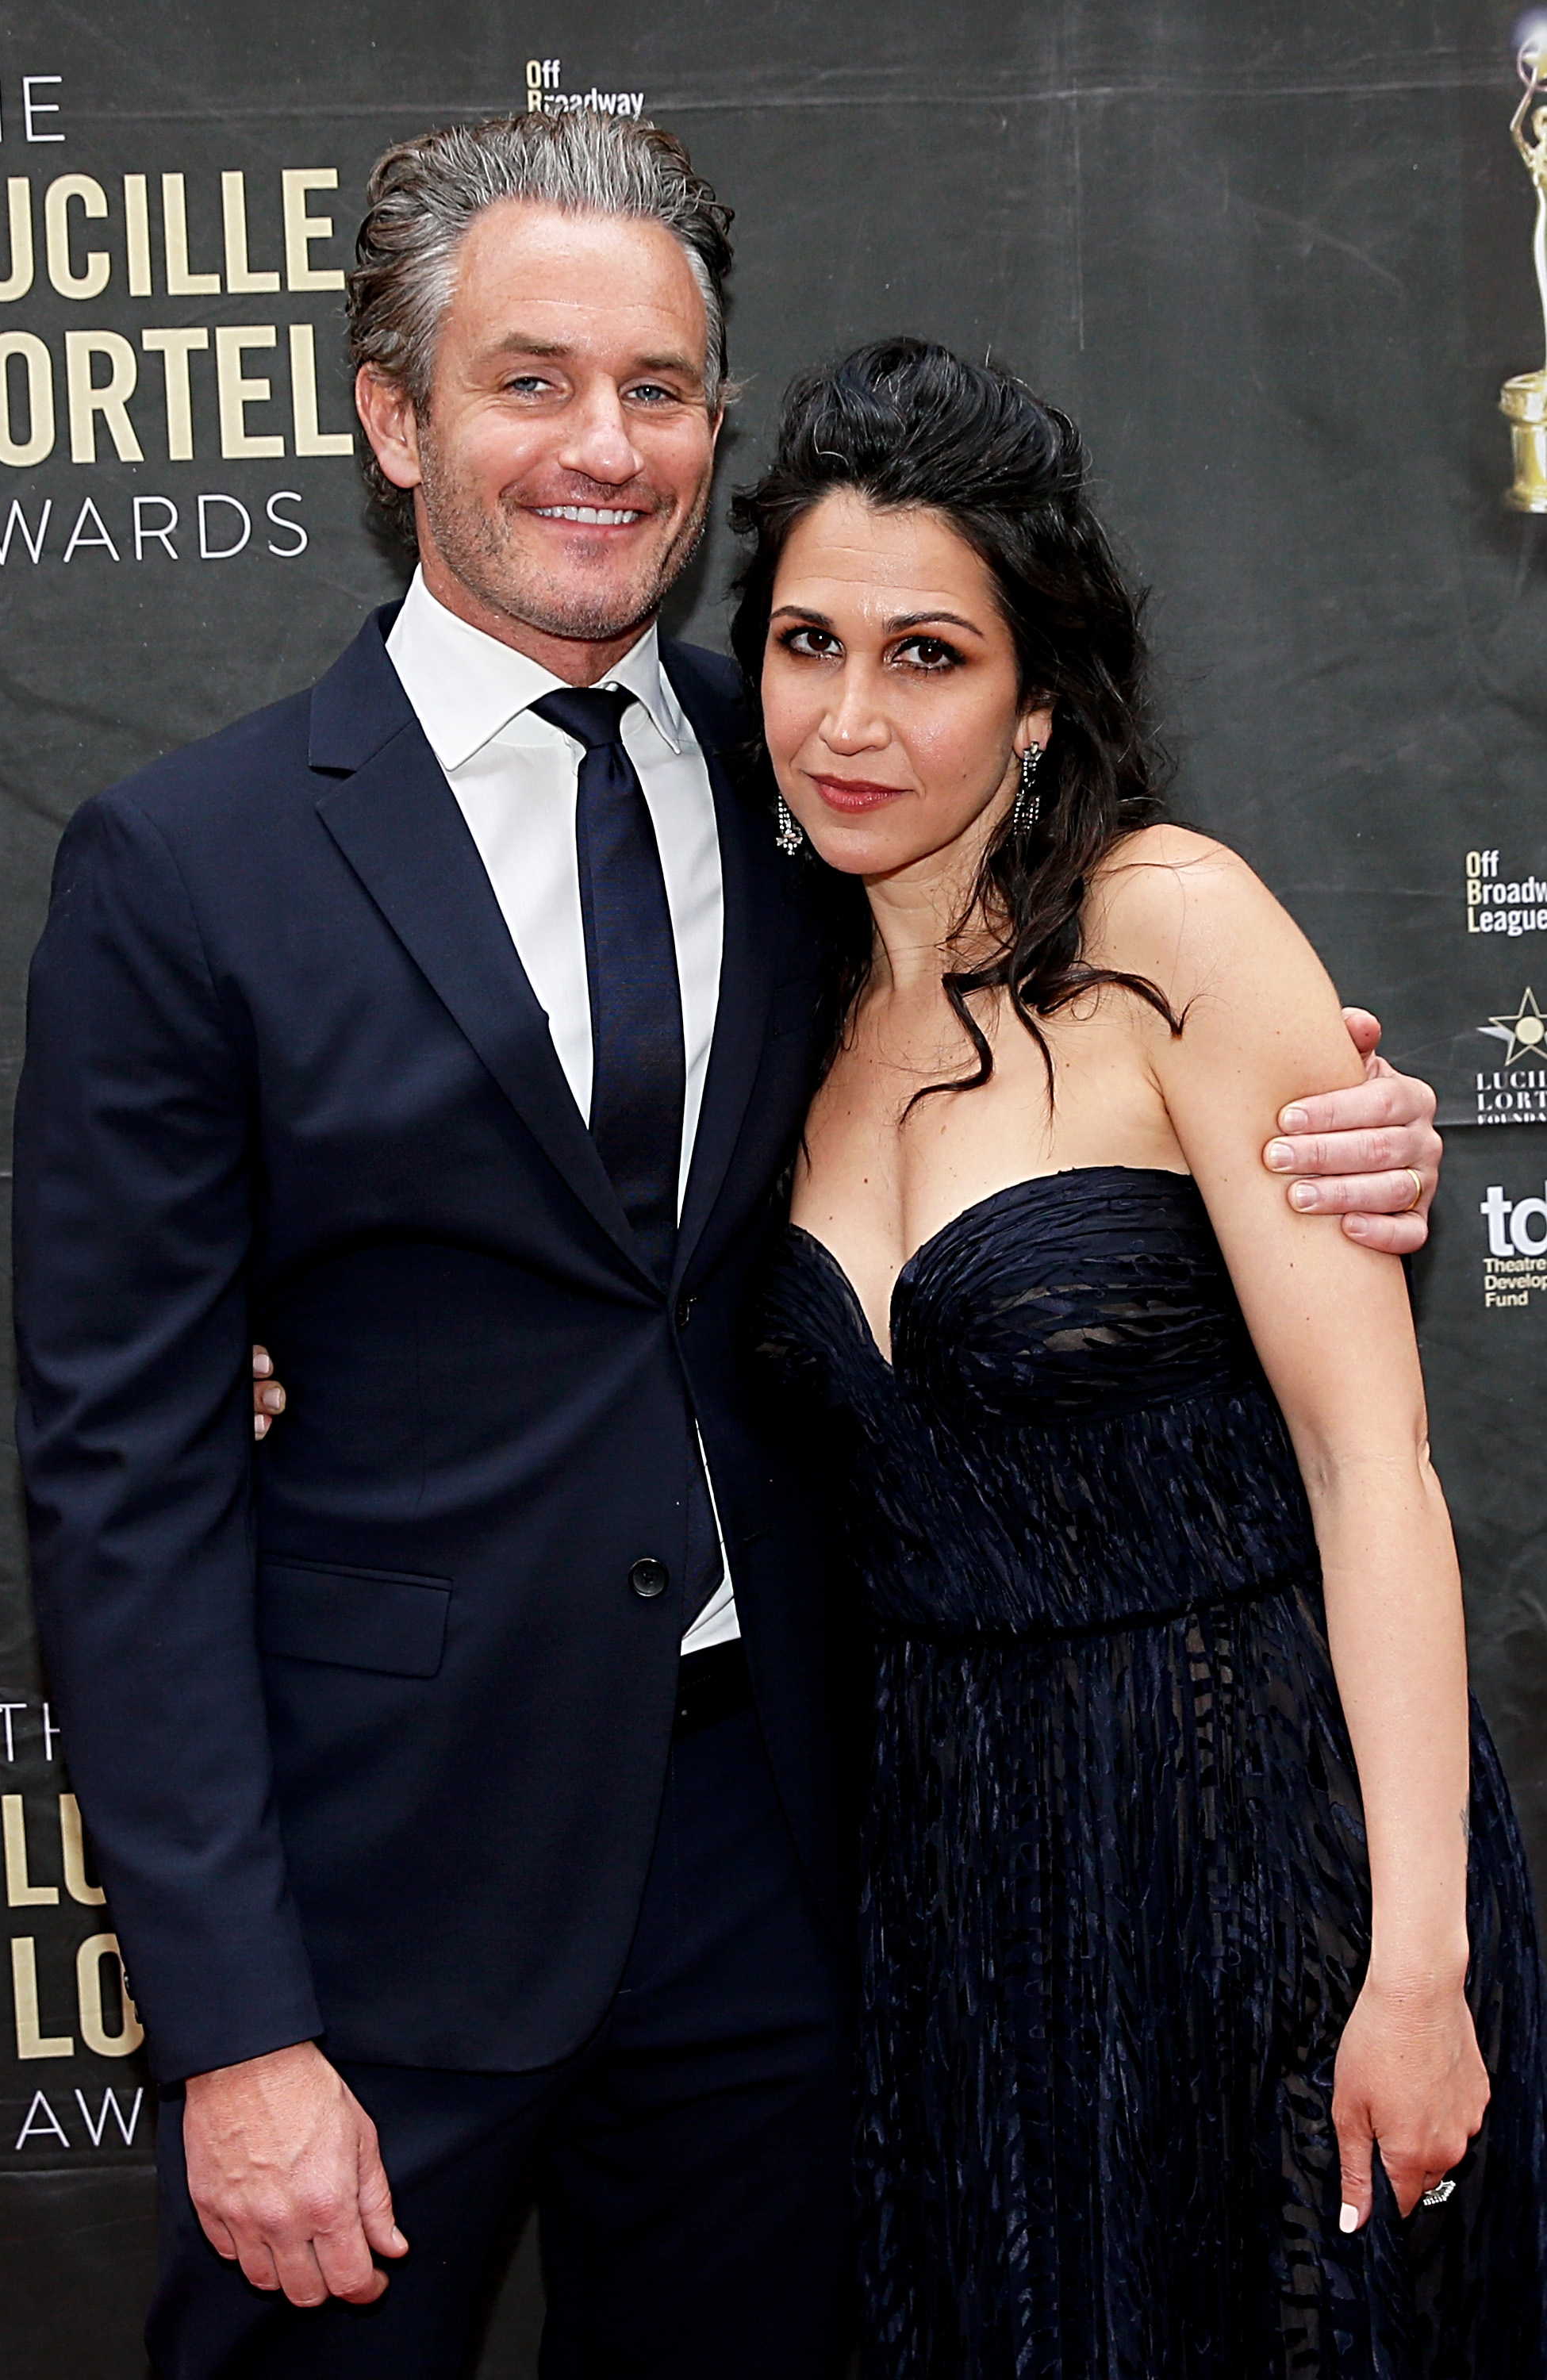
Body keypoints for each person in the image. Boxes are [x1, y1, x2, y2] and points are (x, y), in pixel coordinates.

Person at [11, 110, 1444, 2380]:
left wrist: (1349, 1115)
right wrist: (234, 2033)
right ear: (392, 421)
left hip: (798, 1870)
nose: (607, 446)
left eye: (661, 388)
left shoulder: (813, 760)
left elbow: (1077, 1033)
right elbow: (120, 1483)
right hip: (386, 1907)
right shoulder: (185, 872)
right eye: (531, 380)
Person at [743, 338, 1547, 2377]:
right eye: (803, 643)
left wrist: (1421, 1961)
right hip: (955, 1878)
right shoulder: (770, 994)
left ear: (1036, 699)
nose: (849, 719)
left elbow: (1375, 1471)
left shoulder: (1167, 933)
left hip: (1260, 1837)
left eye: (927, 655)